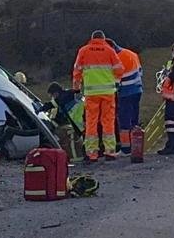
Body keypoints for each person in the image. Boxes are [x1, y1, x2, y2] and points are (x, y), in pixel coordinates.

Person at [73, 30, 124, 163]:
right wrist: (115, 82)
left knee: (91, 122)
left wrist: (76, 88)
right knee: (108, 121)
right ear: (103, 39)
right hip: (108, 92)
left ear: (92, 38)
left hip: (91, 93)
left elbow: (77, 70)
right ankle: (110, 152)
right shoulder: (109, 50)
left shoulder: (83, 51)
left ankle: (92, 153)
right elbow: (120, 69)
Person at [105, 39, 143, 156]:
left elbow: (116, 78)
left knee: (124, 121)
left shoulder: (117, 58)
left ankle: (126, 149)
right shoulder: (131, 54)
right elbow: (140, 72)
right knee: (134, 120)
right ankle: (136, 146)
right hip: (137, 89)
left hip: (125, 92)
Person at [38, 82, 85, 163]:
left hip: (82, 119)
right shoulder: (68, 94)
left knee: (84, 137)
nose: (53, 97)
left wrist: (39, 110)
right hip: (83, 118)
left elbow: (51, 104)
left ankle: (83, 156)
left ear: (56, 93)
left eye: (52, 95)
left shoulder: (64, 97)